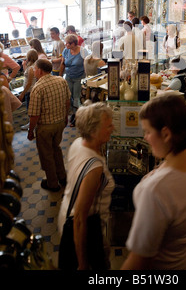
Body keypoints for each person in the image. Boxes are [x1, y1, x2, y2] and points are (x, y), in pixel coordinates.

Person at [121, 93, 186, 270]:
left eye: (148, 131)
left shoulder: (155, 190)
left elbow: (139, 261)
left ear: (166, 134)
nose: (145, 138)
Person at [57, 102, 115, 270]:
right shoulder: (94, 168)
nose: (112, 128)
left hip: (65, 212)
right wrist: (82, 263)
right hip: (85, 231)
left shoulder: (78, 143)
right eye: (108, 125)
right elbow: (80, 219)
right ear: (93, 130)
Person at [27, 59, 71, 192]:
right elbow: (67, 101)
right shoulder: (61, 81)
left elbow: (34, 115)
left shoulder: (38, 88)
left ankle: (52, 183)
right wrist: (65, 117)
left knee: (46, 155)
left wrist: (30, 131)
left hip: (45, 127)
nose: (34, 72)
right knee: (56, 149)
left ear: (40, 70)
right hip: (59, 123)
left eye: (34, 69)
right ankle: (62, 177)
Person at [60, 34, 85, 127]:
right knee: (68, 96)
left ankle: (76, 117)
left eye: (68, 43)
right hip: (69, 76)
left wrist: (87, 78)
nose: (66, 45)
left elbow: (86, 63)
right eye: (66, 43)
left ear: (74, 44)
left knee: (76, 98)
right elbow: (63, 64)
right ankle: (71, 114)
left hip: (79, 77)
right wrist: (60, 76)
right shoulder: (66, 51)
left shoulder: (83, 51)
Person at [18, 48, 38, 130]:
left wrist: (23, 93)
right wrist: (24, 65)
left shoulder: (31, 68)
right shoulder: (33, 66)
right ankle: (32, 124)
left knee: (30, 109)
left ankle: (32, 125)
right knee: (31, 108)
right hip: (31, 90)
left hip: (30, 91)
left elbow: (29, 82)